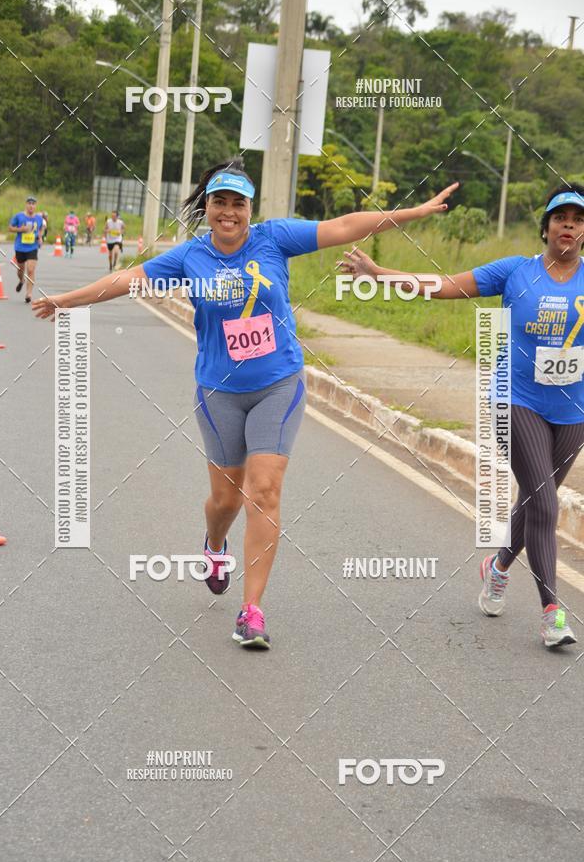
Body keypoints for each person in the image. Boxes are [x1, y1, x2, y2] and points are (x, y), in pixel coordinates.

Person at [32, 158, 456, 649]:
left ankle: (251, 610)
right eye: (219, 203)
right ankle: (214, 546)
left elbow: (343, 226)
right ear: (206, 207)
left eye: (238, 204)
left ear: (250, 210)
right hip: (219, 392)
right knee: (226, 499)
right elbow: (128, 280)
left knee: (265, 490)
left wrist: (414, 213)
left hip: (279, 383)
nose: (228, 213)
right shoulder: (189, 258)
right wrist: (67, 301)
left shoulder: (274, 239)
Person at [342, 183, 584, 649]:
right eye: (560, 217)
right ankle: (552, 612)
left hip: (573, 408)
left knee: (537, 501)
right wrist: (377, 272)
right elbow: (445, 285)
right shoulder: (516, 272)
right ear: (546, 227)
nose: (568, 225)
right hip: (518, 401)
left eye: (577, 219)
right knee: (547, 504)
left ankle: (497, 567)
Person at [9, 195, 44, 303]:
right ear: (26, 204)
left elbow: (41, 228)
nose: (31, 206)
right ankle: (21, 280)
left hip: (33, 247)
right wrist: (21, 229)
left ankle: (28, 294)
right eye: (29, 203)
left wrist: (40, 237)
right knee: (20, 270)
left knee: (31, 270)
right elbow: (10, 228)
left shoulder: (39, 218)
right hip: (20, 247)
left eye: (33, 204)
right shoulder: (19, 216)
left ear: (35, 206)